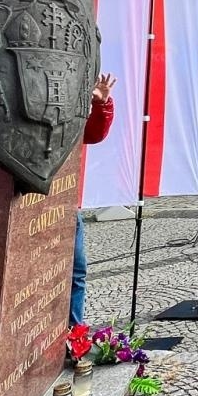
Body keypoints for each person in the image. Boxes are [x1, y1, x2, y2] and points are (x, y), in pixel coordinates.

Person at [71, 72, 116, 326]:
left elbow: (93, 134)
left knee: (77, 273)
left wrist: (102, 103)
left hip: (67, 203)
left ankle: (74, 335)